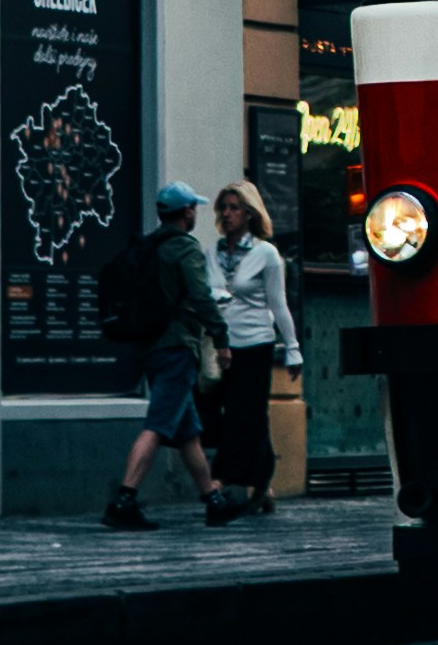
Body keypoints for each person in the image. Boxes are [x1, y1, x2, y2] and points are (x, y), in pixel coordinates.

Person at [103, 182, 227, 526]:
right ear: (187, 211)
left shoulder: (151, 246)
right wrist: (221, 337)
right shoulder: (185, 249)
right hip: (177, 347)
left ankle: (213, 500)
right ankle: (124, 501)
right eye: (194, 208)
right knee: (158, 425)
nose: (196, 213)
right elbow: (201, 297)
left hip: (151, 347)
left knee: (187, 432)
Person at [203, 179, 301, 517]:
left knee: (243, 415)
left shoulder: (266, 254)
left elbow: (279, 304)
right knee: (245, 416)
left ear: (249, 214)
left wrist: (292, 348)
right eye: (223, 209)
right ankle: (263, 485)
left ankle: (220, 479)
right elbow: (207, 294)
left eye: (234, 209)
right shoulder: (212, 252)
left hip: (256, 343)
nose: (227, 215)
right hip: (222, 348)